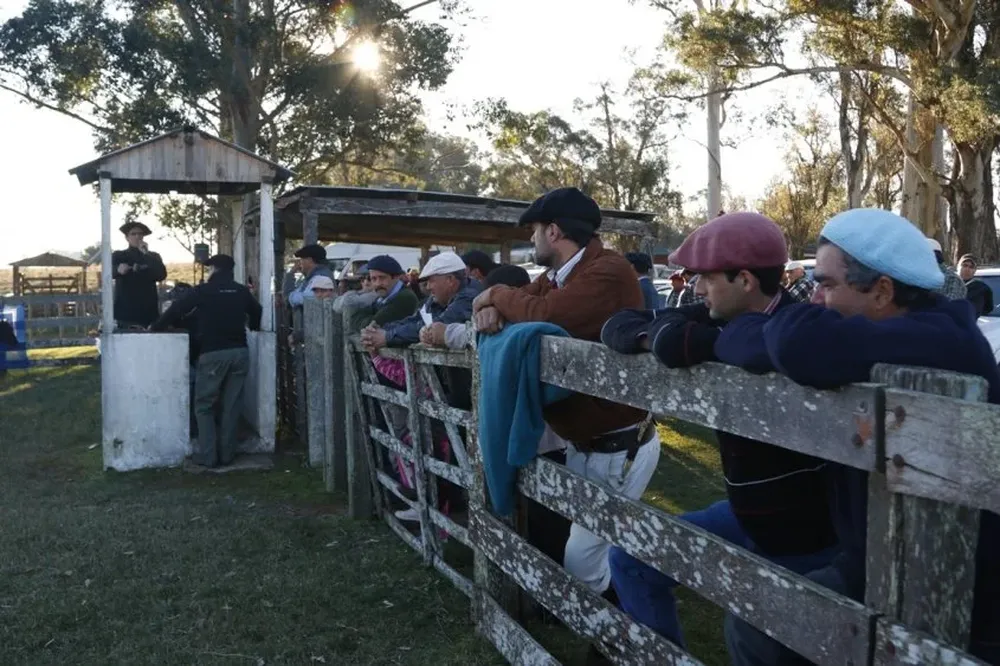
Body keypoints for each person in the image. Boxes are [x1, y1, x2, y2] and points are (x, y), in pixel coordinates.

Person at [719, 209, 1000, 665]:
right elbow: (748, 338)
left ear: (883, 290)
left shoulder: (943, 340)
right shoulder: (888, 333)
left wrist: (750, 334)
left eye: (827, 285)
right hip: (874, 554)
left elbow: (795, 344)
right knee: (758, 621)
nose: (814, 301)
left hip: (962, 588)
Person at [600, 212, 836, 652]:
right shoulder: (718, 315)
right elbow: (618, 325)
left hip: (805, 535)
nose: (697, 288)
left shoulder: (798, 332)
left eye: (707, 278)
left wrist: (676, 339)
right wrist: (659, 338)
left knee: (752, 634)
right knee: (629, 557)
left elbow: (688, 338)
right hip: (748, 513)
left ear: (745, 279)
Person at [471, 187, 661, 614]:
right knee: (592, 552)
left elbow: (545, 316)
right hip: (589, 442)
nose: (533, 240)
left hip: (619, 443)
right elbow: (532, 305)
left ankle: (628, 635)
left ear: (554, 231)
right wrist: (496, 306)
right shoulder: (559, 275)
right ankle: (615, 632)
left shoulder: (607, 271)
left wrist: (495, 297)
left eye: (536, 231)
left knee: (583, 562)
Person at [151, 254, 262, 470]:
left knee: (204, 405)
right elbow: (256, 311)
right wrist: (254, 327)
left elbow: (176, 310)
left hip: (213, 354)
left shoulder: (203, 291)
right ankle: (228, 454)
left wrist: (156, 327)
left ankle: (209, 456)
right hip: (240, 352)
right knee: (231, 405)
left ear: (214, 269)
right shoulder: (240, 291)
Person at [360, 252, 480, 351]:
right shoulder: (438, 299)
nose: (428, 287)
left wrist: (387, 337)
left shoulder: (470, 298)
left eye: (431, 281)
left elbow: (437, 326)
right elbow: (417, 319)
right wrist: (381, 330)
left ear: (450, 280)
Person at [112, 221, 167, 328]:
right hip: (125, 313)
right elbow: (108, 273)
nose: (137, 236)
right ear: (127, 238)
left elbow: (161, 275)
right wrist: (117, 270)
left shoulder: (153, 256)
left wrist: (146, 254)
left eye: (140, 234)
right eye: (133, 234)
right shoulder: (119, 255)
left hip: (148, 313)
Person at [347, 255, 419, 332]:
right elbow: (353, 321)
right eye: (373, 279)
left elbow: (372, 325)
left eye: (382, 278)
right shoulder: (383, 297)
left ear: (396, 277)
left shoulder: (405, 298)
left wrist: (367, 318)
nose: (378, 283)